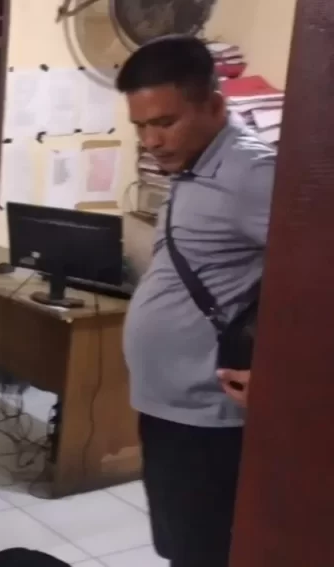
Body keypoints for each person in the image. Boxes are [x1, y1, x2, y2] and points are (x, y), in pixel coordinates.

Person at [118, 35, 273, 567]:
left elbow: (315, 281)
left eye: (165, 122)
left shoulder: (251, 174)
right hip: (171, 407)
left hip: (209, 421)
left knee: (202, 554)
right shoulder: (193, 163)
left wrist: (284, 373)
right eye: (140, 126)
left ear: (215, 106)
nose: (151, 141)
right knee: (180, 548)